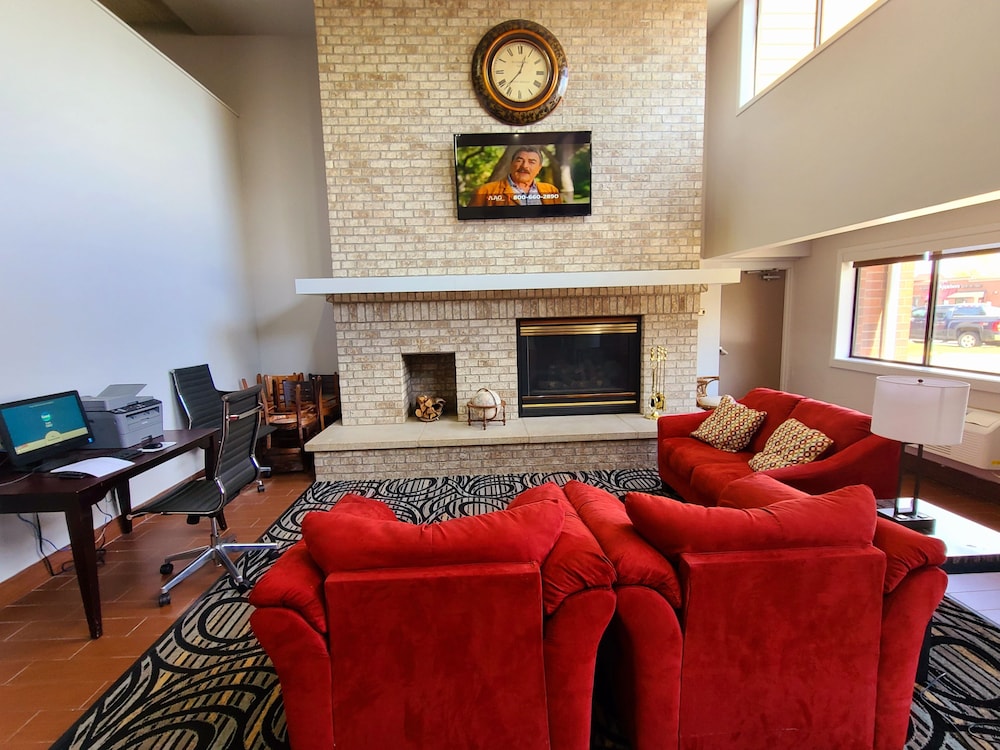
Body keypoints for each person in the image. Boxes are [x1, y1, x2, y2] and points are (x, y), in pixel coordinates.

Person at [467, 146, 562, 207]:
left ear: (539, 168)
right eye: (519, 160)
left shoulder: (551, 191)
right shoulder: (485, 192)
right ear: (511, 164)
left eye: (531, 162)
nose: (524, 166)